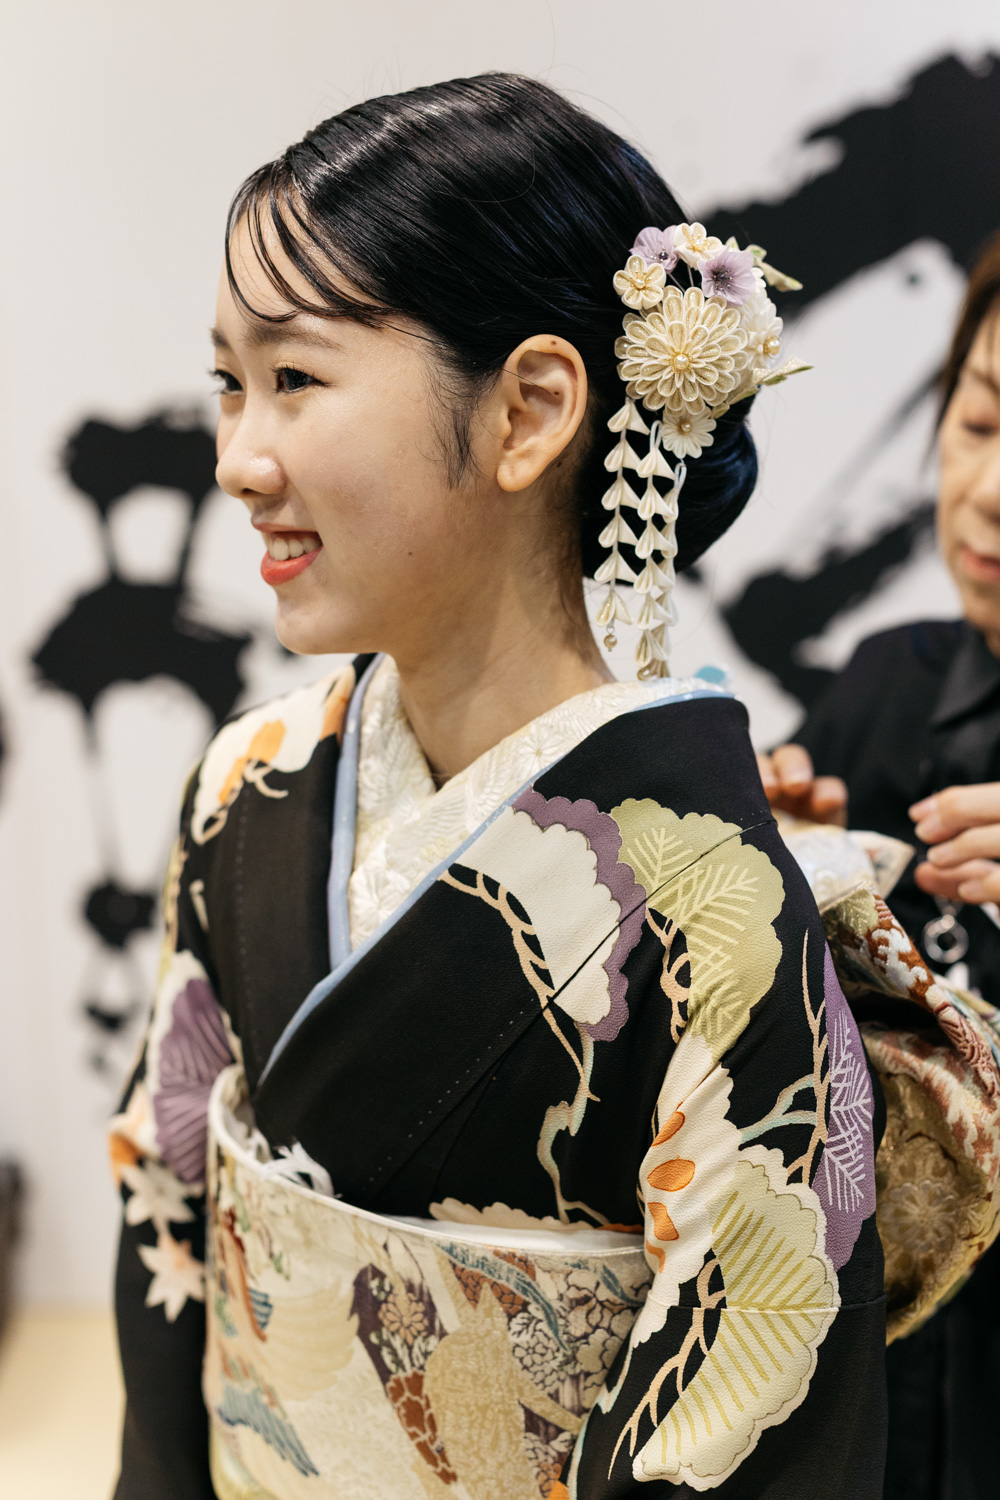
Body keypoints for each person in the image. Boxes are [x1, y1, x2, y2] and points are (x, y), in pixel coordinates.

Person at [107, 75, 892, 1499]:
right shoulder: (247, 786)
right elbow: (167, 1214)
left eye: (294, 378)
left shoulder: (712, 914)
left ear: (528, 410)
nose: (237, 459)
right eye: (229, 382)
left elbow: (745, 1412)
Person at [759, 231, 1000, 1500]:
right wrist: (767, 867)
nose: (987, 490)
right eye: (978, 420)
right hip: (890, 1388)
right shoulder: (883, 684)